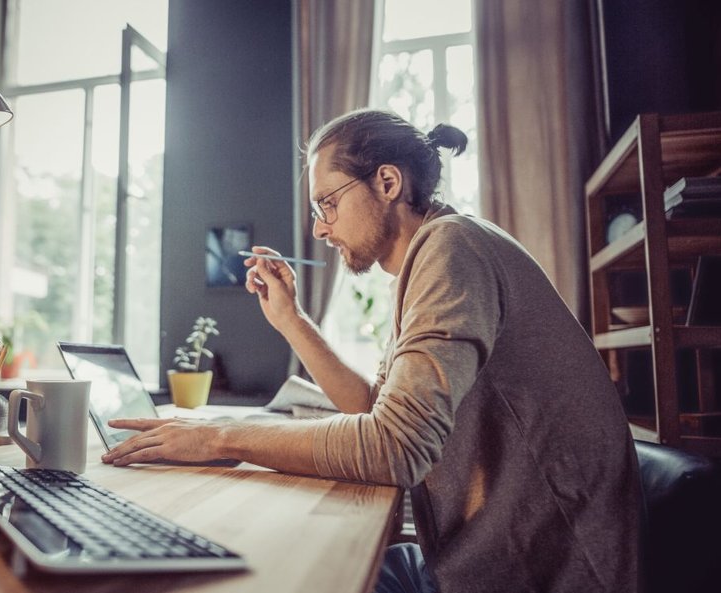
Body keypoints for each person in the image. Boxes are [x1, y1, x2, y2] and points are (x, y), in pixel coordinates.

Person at [102, 109, 640, 593]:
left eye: (327, 203)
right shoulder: (430, 258)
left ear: (386, 181)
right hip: (473, 562)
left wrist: (218, 436)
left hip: (543, 576)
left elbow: (395, 447)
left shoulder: (451, 247)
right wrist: (291, 320)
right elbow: (373, 408)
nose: (318, 228)